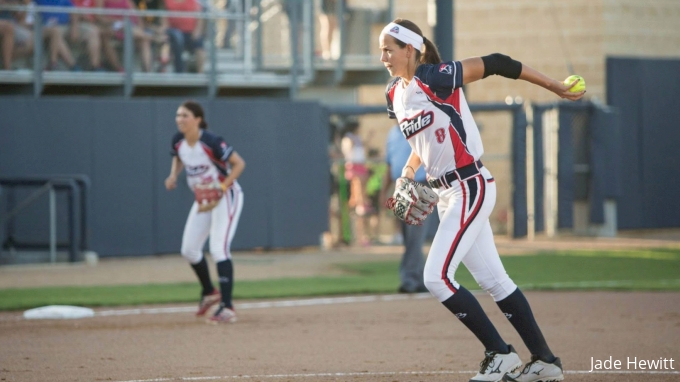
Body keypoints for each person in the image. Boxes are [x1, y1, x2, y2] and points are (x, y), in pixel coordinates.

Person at [379, 19, 584, 382]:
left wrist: (553, 85)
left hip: (469, 185)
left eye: (388, 49)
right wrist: (407, 175)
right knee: (496, 282)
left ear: (410, 49)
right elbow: (421, 145)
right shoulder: (394, 94)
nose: (383, 57)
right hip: (445, 194)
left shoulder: (436, 76)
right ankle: (545, 362)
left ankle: (500, 354)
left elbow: (498, 61)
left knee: (436, 277)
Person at [164, 101, 246, 324]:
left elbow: (239, 164)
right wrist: (173, 176)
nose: (180, 119)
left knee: (219, 248)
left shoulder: (210, 141)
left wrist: (221, 187)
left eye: (185, 115)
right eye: (178, 115)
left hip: (226, 195)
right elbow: (178, 156)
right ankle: (210, 292)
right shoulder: (178, 141)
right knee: (189, 250)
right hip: (204, 200)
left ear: (197, 119)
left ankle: (227, 307)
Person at [382, 124, 430, 294]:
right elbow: (389, 165)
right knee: (407, 237)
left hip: (419, 185)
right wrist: (384, 192)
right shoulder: (392, 134)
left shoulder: (419, 128)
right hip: (400, 188)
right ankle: (419, 278)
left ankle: (410, 279)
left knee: (414, 237)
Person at [340, 119, 369, 246]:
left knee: (361, 202)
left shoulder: (356, 138)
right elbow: (348, 153)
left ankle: (361, 236)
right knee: (357, 202)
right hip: (354, 169)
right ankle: (357, 236)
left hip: (359, 168)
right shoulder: (348, 139)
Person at [161, 0, 204, 73]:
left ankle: (200, 74)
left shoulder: (194, 2)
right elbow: (164, 18)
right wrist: (164, 32)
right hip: (173, 32)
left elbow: (200, 17)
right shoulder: (167, 2)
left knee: (200, 48)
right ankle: (178, 71)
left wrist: (197, 32)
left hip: (190, 33)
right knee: (177, 39)